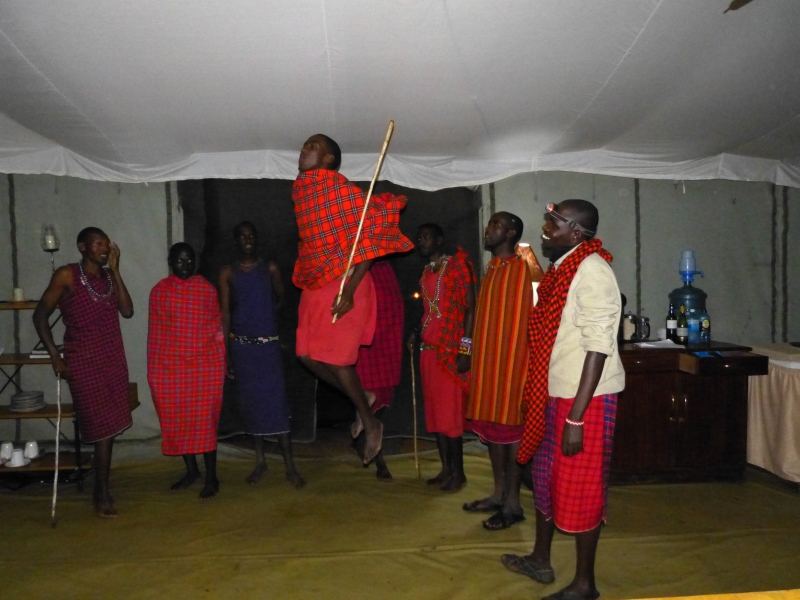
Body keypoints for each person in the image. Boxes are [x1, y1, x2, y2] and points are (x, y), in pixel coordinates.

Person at [501, 200, 625, 600]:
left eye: (553, 223)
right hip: (555, 394)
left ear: (576, 232)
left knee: (581, 488)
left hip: (584, 401)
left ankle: (585, 584)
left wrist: (576, 418)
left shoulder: (593, 271)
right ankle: (541, 558)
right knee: (545, 480)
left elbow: (598, 347)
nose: (544, 228)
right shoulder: (562, 269)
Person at [292, 134, 413, 466]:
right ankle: (365, 396)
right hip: (315, 280)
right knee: (304, 354)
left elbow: (369, 239)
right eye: (304, 145)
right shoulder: (301, 191)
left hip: (346, 281)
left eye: (313, 146)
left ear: (329, 159)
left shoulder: (342, 191)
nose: (304, 149)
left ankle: (371, 423)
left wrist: (349, 289)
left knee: (337, 360)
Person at [33, 227, 133, 518]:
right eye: (98, 244)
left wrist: (116, 271)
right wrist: (55, 356)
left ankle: (101, 489)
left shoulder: (108, 277)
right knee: (101, 429)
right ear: (82, 246)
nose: (104, 249)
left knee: (109, 430)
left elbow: (127, 311)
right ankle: (100, 493)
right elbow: (40, 316)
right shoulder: (67, 275)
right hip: (83, 362)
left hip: (112, 360)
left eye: (107, 244)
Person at [219, 221, 305, 488]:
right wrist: (226, 353)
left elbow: (281, 299)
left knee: (277, 404)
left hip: (267, 347)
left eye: (251, 235)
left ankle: (290, 466)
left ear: (256, 239)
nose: (247, 239)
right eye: (242, 235)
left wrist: (263, 318)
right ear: (236, 240)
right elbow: (225, 314)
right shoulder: (227, 273)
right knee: (251, 405)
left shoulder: (270, 269)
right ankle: (260, 462)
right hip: (242, 349)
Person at [463, 212, 532, 530]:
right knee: (493, 432)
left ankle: (513, 504)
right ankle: (499, 493)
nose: (488, 229)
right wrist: (468, 351)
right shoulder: (491, 268)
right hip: (488, 367)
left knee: (513, 432)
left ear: (511, 233)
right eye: (489, 224)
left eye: (496, 225)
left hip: (514, 368)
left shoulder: (525, 267)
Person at [147, 243, 226, 499]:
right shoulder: (160, 291)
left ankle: (212, 477)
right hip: (172, 370)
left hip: (204, 369)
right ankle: (192, 471)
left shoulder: (206, 289)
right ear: (170, 262)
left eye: (190, 260)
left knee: (205, 423)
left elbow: (216, 329)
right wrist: (155, 372)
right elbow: (156, 334)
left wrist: (220, 363)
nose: (185, 265)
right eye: (180, 260)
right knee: (179, 420)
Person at [409, 223, 475, 493]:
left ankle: (459, 474)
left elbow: (471, 309)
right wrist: (416, 333)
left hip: (451, 352)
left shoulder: (457, 265)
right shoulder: (426, 272)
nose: (421, 241)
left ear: (439, 239)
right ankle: (446, 469)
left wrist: (465, 350)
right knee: (436, 416)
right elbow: (428, 312)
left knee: (450, 417)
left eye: (426, 237)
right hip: (429, 352)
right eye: (419, 237)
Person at [353, 259, 405, 481]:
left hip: (387, 339)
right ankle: (377, 457)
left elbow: (398, 308)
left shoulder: (386, 269)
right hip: (364, 339)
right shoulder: (357, 270)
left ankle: (369, 441)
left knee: (382, 396)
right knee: (364, 392)